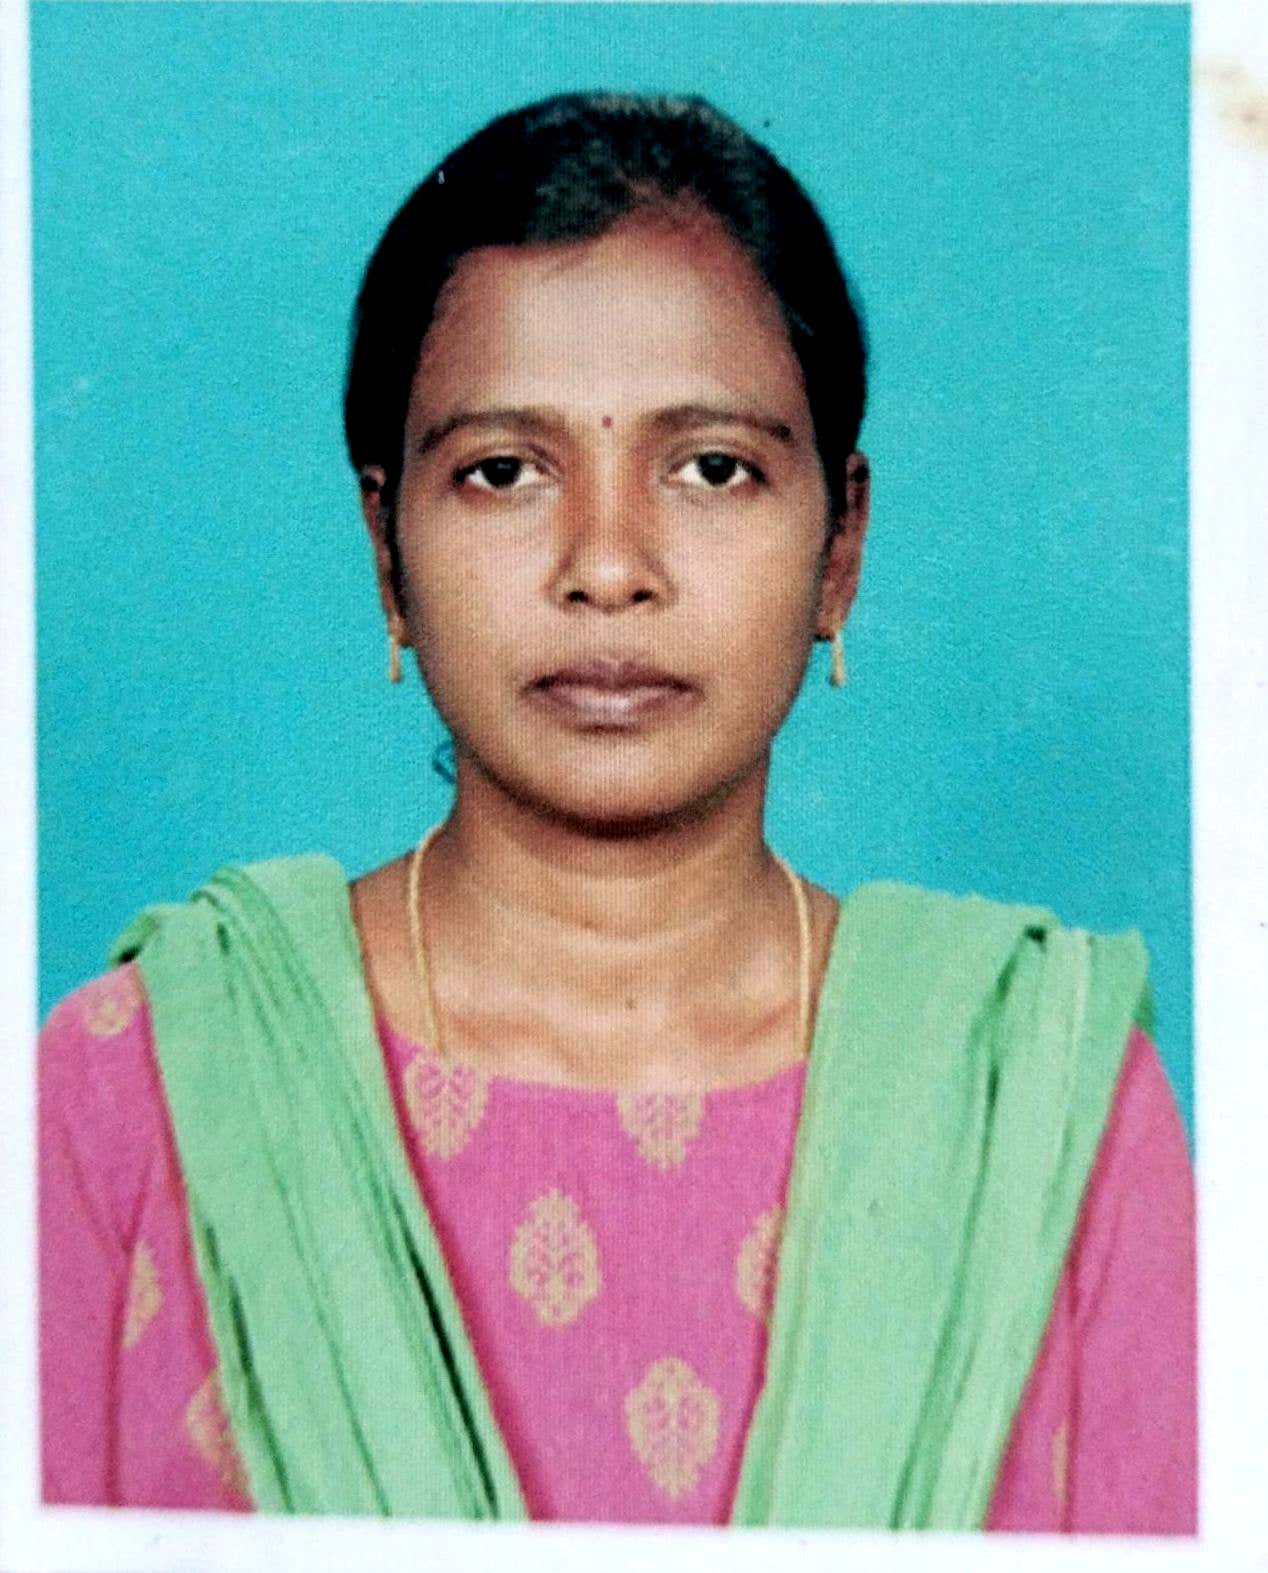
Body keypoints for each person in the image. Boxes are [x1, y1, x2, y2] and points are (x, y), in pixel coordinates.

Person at [38, 92, 1195, 1532]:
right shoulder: (134, 1085)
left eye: (712, 468)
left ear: (840, 547)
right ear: (387, 553)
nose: (606, 565)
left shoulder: (1043, 1103)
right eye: (503, 472)